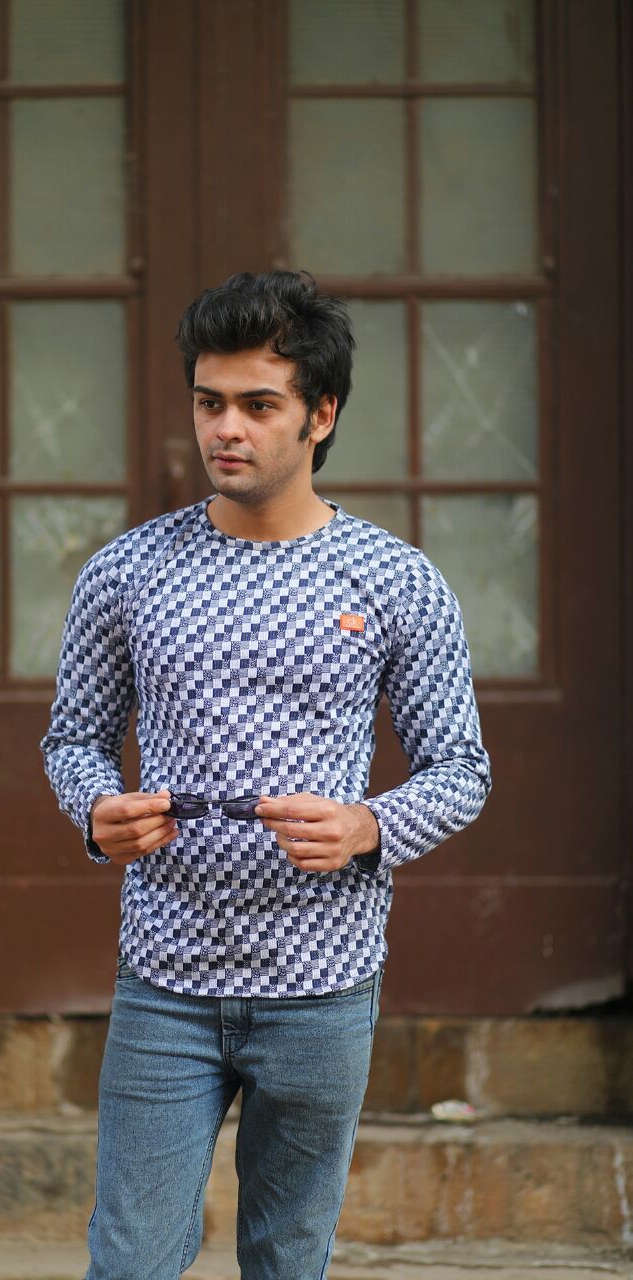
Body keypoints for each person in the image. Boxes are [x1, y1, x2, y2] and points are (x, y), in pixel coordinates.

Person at [40, 270, 492, 1280]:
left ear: (319, 415)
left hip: (322, 982)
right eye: (208, 402)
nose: (225, 429)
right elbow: (71, 741)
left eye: (257, 404)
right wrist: (95, 809)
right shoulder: (127, 572)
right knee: (129, 1260)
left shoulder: (395, 580)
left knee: (288, 1260)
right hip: (166, 975)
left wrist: (367, 827)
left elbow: (460, 768)